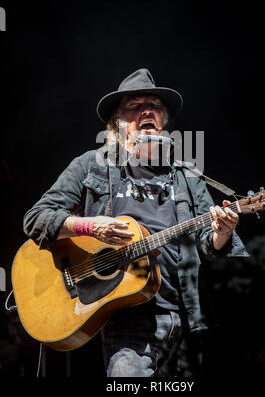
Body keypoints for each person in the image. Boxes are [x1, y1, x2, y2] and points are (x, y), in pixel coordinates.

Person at [23, 68, 249, 377]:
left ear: (163, 119)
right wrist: (90, 226)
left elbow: (208, 244)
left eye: (154, 105)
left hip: (185, 316)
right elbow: (36, 218)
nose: (147, 111)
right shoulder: (92, 165)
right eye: (135, 105)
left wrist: (222, 233)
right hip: (126, 316)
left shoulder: (186, 174)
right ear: (118, 120)